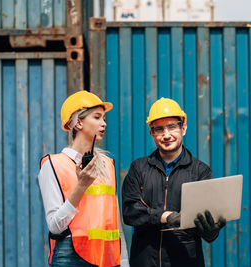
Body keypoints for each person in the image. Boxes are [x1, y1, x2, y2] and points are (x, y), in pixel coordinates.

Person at [121, 97, 226, 267]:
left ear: (183, 128)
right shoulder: (139, 169)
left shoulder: (200, 172)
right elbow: (130, 212)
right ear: (151, 133)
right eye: (159, 129)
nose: (166, 135)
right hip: (145, 261)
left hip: (185, 261)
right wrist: (165, 217)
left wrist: (211, 230)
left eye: (172, 127)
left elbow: (206, 230)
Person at [38, 91, 129, 267]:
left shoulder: (107, 164)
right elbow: (55, 226)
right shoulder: (53, 165)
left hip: (106, 256)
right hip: (70, 255)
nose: (104, 123)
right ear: (78, 122)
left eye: (104, 118)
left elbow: (115, 223)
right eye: (97, 117)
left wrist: (123, 262)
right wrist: (81, 186)